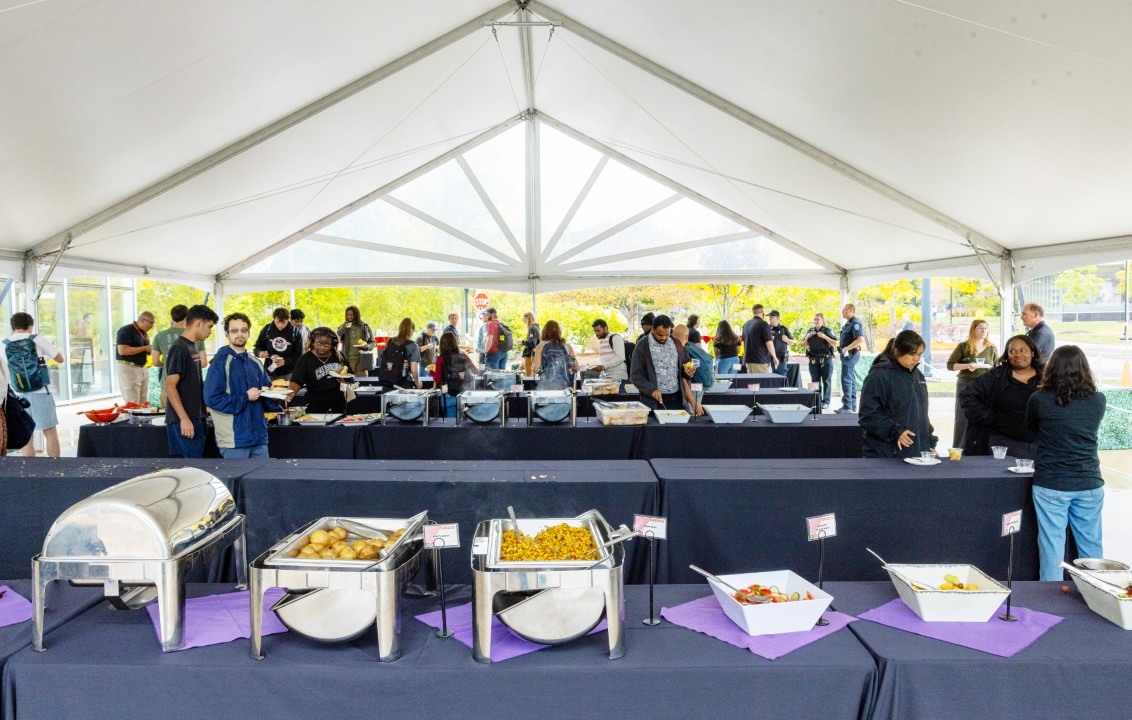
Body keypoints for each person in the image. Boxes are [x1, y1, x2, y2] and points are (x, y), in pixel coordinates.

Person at [1025, 345, 1106, 581]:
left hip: (1051, 481)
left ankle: (1051, 601)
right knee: (1091, 545)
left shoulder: (1039, 399)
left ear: (1051, 369)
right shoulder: (1098, 400)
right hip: (1089, 480)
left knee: (1052, 545)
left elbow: (1031, 431)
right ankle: (1098, 593)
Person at [205, 312, 283, 459]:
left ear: (248, 333)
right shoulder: (220, 362)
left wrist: (280, 397)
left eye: (243, 330)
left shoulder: (256, 363)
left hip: (259, 438)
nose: (239, 334)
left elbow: (267, 396)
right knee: (237, 483)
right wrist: (246, 396)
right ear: (227, 334)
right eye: (234, 330)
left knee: (262, 481)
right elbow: (212, 399)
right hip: (234, 440)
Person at [959, 335, 1042, 458]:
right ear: (1007, 355)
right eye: (1012, 351)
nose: (1017, 354)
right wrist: (990, 418)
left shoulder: (1047, 377)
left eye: (1023, 350)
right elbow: (967, 395)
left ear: (1033, 352)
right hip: (1003, 445)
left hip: (1040, 445)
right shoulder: (997, 376)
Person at [858, 330, 936, 459]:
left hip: (916, 453)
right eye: (912, 354)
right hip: (886, 454)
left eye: (919, 354)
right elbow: (867, 414)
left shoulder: (918, 376)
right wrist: (895, 431)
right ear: (897, 351)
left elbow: (921, 413)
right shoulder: (879, 375)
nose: (916, 359)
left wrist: (929, 441)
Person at [3, 312, 64, 457]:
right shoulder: (37, 339)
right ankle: (55, 467)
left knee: (26, 436)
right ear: (30, 326)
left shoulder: (3, 343)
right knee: (49, 431)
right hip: (41, 390)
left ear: (12, 327)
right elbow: (60, 359)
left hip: (18, 394)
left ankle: (30, 471)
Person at [165, 304, 218, 458]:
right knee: (191, 467)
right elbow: (170, 386)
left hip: (197, 415)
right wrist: (184, 419)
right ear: (198, 323)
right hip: (185, 419)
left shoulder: (192, 346)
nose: (210, 332)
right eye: (209, 327)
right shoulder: (179, 348)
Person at [629, 314, 703, 416]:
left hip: (677, 399)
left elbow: (685, 365)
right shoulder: (642, 346)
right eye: (659, 335)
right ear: (652, 329)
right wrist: (651, 390)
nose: (663, 338)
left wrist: (688, 372)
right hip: (653, 402)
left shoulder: (676, 342)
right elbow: (635, 375)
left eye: (667, 334)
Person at [946, 318, 997, 448]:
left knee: (983, 415)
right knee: (962, 416)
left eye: (986, 328)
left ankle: (980, 447)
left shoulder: (992, 348)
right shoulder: (963, 346)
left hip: (985, 386)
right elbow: (951, 365)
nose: (984, 330)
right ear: (973, 329)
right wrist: (967, 366)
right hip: (966, 383)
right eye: (981, 328)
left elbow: (997, 367)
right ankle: (959, 448)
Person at [152, 304, 208, 408]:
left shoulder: (160, 336)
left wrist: (168, 364)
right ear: (188, 317)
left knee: (169, 420)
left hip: (168, 386)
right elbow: (204, 363)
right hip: (191, 388)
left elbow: (155, 362)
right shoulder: (196, 334)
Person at [289, 327, 353, 413]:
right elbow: (296, 381)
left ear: (333, 344)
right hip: (315, 401)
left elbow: (350, 375)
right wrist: (288, 396)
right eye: (319, 344)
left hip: (338, 400)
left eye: (327, 345)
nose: (322, 348)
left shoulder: (339, 356)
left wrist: (345, 381)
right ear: (312, 343)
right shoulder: (305, 359)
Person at [431, 331, 479, 416]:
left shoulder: (440, 359)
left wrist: (431, 372)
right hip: (464, 396)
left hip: (448, 396)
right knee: (464, 424)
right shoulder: (464, 356)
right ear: (455, 342)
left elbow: (438, 380)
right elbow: (476, 371)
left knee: (451, 425)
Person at [116, 311, 155, 405]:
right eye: (151, 323)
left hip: (142, 368)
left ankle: (142, 420)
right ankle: (132, 420)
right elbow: (123, 350)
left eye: (153, 323)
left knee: (143, 401)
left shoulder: (144, 333)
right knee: (132, 402)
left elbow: (143, 349)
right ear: (142, 320)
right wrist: (145, 348)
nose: (152, 326)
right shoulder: (126, 330)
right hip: (129, 368)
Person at [254, 307, 303, 381]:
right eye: (277, 322)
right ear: (274, 319)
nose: (280, 325)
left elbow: (298, 356)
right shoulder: (267, 329)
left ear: (288, 320)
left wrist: (285, 362)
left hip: (288, 373)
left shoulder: (295, 332)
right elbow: (257, 348)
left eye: (283, 322)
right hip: (269, 372)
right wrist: (260, 353)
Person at [802, 313, 838, 408]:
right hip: (813, 359)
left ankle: (826, 402)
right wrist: (807, 337)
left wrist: (824, 336)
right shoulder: (810, 331)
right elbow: (804, 344)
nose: (815, 321)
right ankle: (815, 400)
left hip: (825, 359)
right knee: (814, 381)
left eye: (818, 319)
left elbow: (835, 343)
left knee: (826, 381)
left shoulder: (828, 331)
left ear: (823, 321)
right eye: (814, 319)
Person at [836, 303, 865, 413]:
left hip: (851, 354)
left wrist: (847, 348)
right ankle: (851, 405)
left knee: (846, 379)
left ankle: (847, 406)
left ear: (851, 311)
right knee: (850, 379)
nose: (842, 312)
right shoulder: (848, 323)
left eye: (845, 310)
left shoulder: (855, 323)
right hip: (847, 355)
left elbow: (860, 339)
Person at [531, 320, 576, 390]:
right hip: (565, 386)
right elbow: (575, 367)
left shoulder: (540, 347)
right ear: (559, 331)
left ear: (544, 331)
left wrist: (535, 369)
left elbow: (536, 369)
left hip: (548, 385)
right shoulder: (567, 346)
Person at [378, 318, 423, 389]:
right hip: (404, 384)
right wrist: (417, 382)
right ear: (411, 330)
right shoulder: (413, 346)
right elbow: (414, 369)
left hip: (387, 382)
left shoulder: (390, 341)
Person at [337, 306, 374, 377]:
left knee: (362, 383)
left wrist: (367, 346)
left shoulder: (365, 327)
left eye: (352, 315)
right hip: (347, 360)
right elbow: (337, 336)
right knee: (348, 382)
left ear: (357, 315)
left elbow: (373, 342)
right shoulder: (344, 326)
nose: (350, 317)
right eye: (348, 315)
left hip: (362, 360)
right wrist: (342, 328)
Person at [591, 319, 629, 383]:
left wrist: (603, 366)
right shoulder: (602, 341)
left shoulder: (615, 338)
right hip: (608, 378)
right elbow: (607, 361)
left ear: (605, 328)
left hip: (619, 379)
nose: (596, 333)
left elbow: (620, 358)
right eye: (595, 331)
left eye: (598, 331)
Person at [741, 304, 775, 373]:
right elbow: (769, 343)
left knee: (752, 383)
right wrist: (775, 357)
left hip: (748, 360)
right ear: (762, 311)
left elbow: (744, 341)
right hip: (761, 360)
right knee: (764, 382)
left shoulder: (746, 324)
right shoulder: (764, 324)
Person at [767, 310, 792, 378]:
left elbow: (791, 342)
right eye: (769, 316)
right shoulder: (767, 328)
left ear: (778, 318)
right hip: (769, 359)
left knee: (781, 379)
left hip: (781, 360)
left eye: (772, 316)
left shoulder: (783, 329)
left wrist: (787, 340)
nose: (770, 318)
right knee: (770, 380)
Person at [521, 312, 540, 377]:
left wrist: (522, 342)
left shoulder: (532, 329)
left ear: (527, 318)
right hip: (534, 354)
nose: (523, 321)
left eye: (524, 319)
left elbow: (532, 343)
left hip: (530, 355)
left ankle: (528, 386)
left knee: (528, 374)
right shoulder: (537, 328)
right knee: (531, 373)